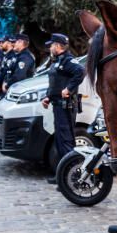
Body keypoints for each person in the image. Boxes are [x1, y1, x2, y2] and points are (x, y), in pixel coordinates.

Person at [41, 33, 83, 182]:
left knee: (65, 142)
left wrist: (69, 89)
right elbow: (55, 83)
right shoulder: (58, 60)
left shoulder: (68, 60)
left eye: (52, 45)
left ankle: (70, 177)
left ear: (58, 46)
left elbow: (80, 72)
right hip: (57, 106)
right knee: (60, 141)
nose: (50, 48)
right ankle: (62, 176)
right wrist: (48, 97)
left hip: (66, 107)